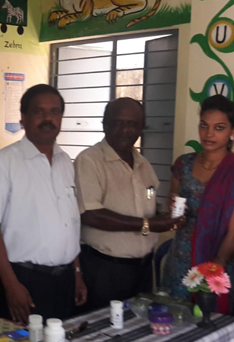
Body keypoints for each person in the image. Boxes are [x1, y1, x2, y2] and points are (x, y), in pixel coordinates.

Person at [0, 84, 87, 323]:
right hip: (22, 279)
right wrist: (11, 285)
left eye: (55, 112)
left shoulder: (65, 163)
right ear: (23, 118)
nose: (48, 119)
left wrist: (77, 272)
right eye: (39, 112)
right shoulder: (3, 162)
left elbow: (69, 223)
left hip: (65, 280)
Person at [74, 97, 184, 310]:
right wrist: (148, 224)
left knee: (139, 326)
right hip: (104, 270)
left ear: (142, 128)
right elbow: (90, 214)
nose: (125, 130)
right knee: (102, 327)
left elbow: (148, 204)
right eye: (118, 123)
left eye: (132, 124)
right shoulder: (89, 161)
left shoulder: (143, 164)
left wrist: (166, 215)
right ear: (105, 125)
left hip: (142, 270)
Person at [162, 95, 234, 314]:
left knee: (209, 322)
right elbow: (172, 210)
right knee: (173, 320)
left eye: (219, 128)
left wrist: (215, 267)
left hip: (217, 262)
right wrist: (172, 210)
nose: (209, 133)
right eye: (204, 125)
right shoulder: (183, 164)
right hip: (180, 259)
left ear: (233, 131)